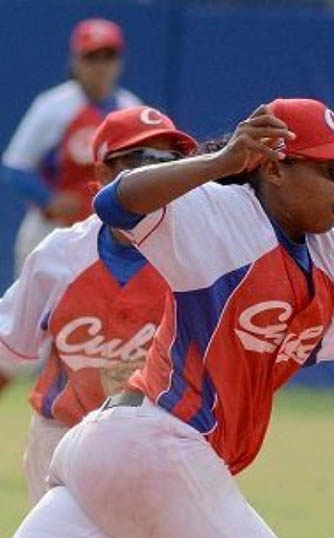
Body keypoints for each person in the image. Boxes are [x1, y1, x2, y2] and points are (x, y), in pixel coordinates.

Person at [13, 98, 334, 536]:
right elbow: (116, 204)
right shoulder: (223, 211)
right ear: (273, 169)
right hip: (158, 441)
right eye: (331, 171)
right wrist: (221, 162)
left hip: (108, 444)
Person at [0, 106, 196, 506]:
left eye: (170, 162)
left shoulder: (197, 258)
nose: (158, 173)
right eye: (143, 160)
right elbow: (11, 345)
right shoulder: (58, 256)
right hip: (61, 435)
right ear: (104, 174)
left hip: (157, 442)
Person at [1, 18, 141, 275]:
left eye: (108, 56)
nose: (100, 66)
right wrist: (49, 199)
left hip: (104, 234)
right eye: (92, 57)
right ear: (76, 62)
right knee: (33, 314)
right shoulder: (54, 105)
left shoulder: (130, 108)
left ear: (119, 61)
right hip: (50, 230)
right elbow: (14, 167)